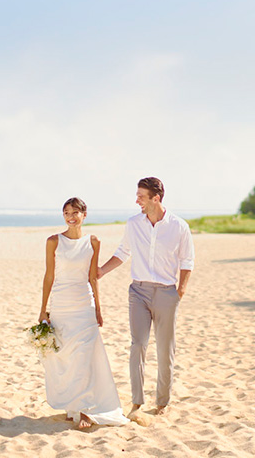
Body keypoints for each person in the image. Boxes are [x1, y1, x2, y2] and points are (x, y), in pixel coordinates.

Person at [98, 177, 194, 420]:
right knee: (137, 345)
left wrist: (179, 292)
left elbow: (187, 261)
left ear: (156, 198)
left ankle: (162, 402)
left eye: (141, 196)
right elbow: (123, 252)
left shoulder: (179, 226)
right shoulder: (133, 224)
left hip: (166, 293)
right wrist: (100, 272)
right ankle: (137, 403)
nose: (137, 200)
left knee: (165, 350)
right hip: (138, 292)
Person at [38, 197, 129, 429]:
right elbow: (49, 277)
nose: (70, 216)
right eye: (66, 212)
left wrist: (98, 308)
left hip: (84, 306)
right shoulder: (53, 242)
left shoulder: (94, 241)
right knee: (67, 357)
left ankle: (87, 410)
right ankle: (73, 407)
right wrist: (43, 310)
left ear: (84, 214)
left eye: (75, 212)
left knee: (85, 357)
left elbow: (92, 277)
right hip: (61, 305)